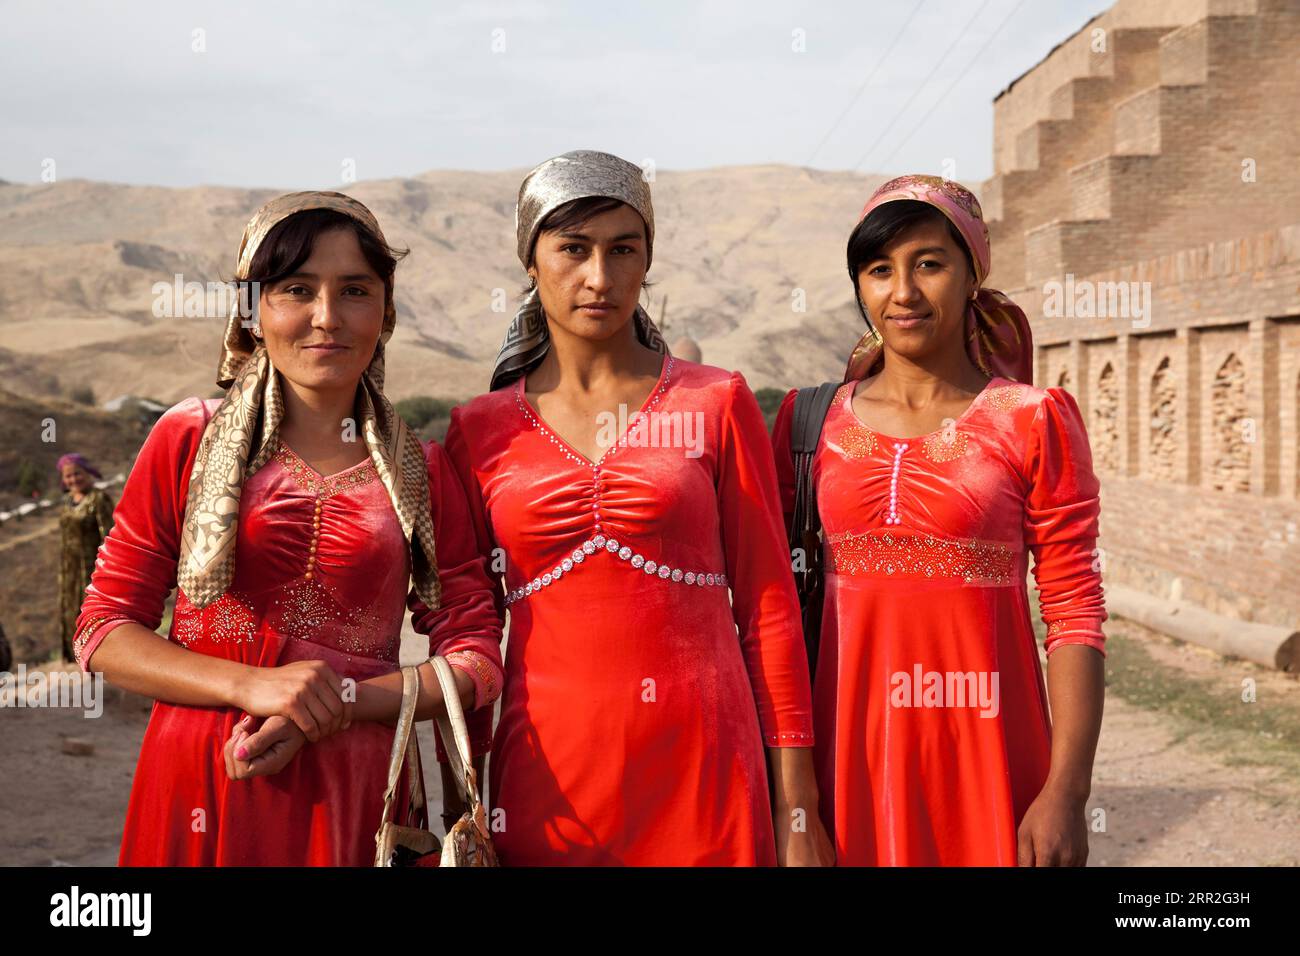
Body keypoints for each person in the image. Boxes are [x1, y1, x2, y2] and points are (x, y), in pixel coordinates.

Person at [74, 191, 504, 866]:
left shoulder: (423, 468)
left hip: (361, 790)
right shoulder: (188, 439)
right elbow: (102, 630)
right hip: (206, 774)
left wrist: (345, 700)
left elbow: (475, 657)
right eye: (296, 290)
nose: (326, 319)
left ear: (385, 312)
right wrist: (252, 686)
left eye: (355, 291)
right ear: (253, 312)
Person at [444, 150, 833, 865]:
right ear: (530, 262)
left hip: (704, 768)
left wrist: (797, 807)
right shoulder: (479, 431)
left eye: (624, 249)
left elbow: (770, 608)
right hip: (545, 782)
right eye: (573, 249)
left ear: (647, 260)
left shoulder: (717, 401)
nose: (600, 277)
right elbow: (465, 628)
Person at [771, 174, 1106, 866]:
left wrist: (1066, 792)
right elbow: (774, 614)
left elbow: (1073, 610)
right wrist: (796, 802)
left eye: (929, 263)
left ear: (972, 273)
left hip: (992, 759)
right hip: (847, 765)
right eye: (878, 270)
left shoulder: (1032, 419)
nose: (903, 292)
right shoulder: (811, 422)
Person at [57, 453, 114, 663]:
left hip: (92, 567)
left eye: (77, 474)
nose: (73, 479)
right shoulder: (66, 502)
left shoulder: (98, 499)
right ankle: (76, 655)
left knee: (90, 610)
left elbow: (109, 534)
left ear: (87, 473)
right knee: (71, 607)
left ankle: (97, 656)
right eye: (68, 476)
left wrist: (106, 568)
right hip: (69, 567)